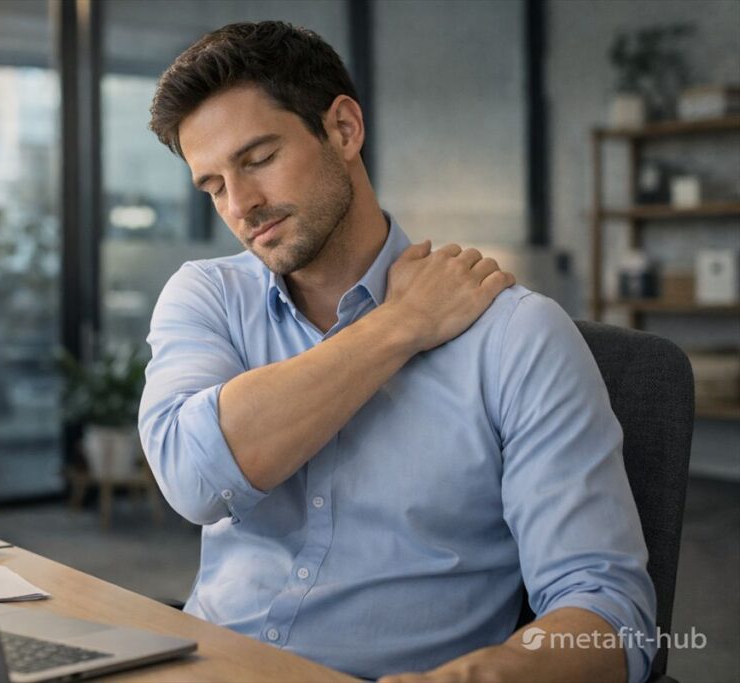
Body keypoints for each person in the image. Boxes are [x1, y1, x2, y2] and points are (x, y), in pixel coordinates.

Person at [139, 21, 656, 683]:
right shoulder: (206, 296)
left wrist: (480, 677)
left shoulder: (515, 337)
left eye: (259, 158)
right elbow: (193, 478)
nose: (242, 205)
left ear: (344, 130)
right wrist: (400, 324)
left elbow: (613, 612)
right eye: (212, 185)